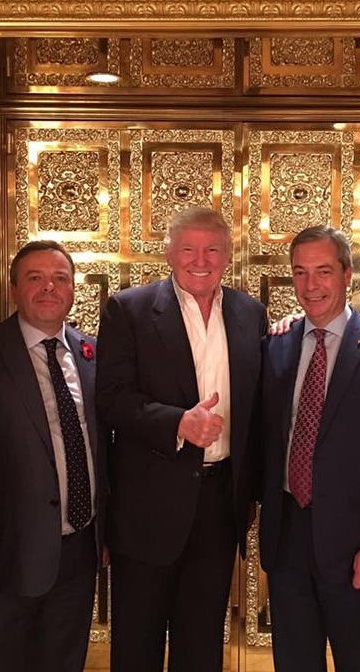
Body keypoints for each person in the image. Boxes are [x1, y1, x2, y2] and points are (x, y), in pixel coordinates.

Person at [96, 206, 267, 672]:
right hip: (146, 507)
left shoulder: (250, 314)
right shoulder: (128, 309)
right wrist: (177, 423)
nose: (201, 260)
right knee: (137, 645)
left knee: (202, 644)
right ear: (169, 253)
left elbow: (259, 404)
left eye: (212, 249)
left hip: (219, 504)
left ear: (228, 256)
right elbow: (111, 399)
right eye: (188, 249)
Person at [259, 225, 360, 672]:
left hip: (357, 547)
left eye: (324, 271)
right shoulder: (275, 345)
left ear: (347, 274)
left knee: (358, 662)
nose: (311, 285)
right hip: (287, 540)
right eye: (300, 272)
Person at [0, 240, 107, 672]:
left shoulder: (93, 353)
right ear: (13, 288)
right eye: (35, 278)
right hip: (8, 558)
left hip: (80, 551)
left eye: (60, 278)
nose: (49, 287)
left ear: (73, 289)